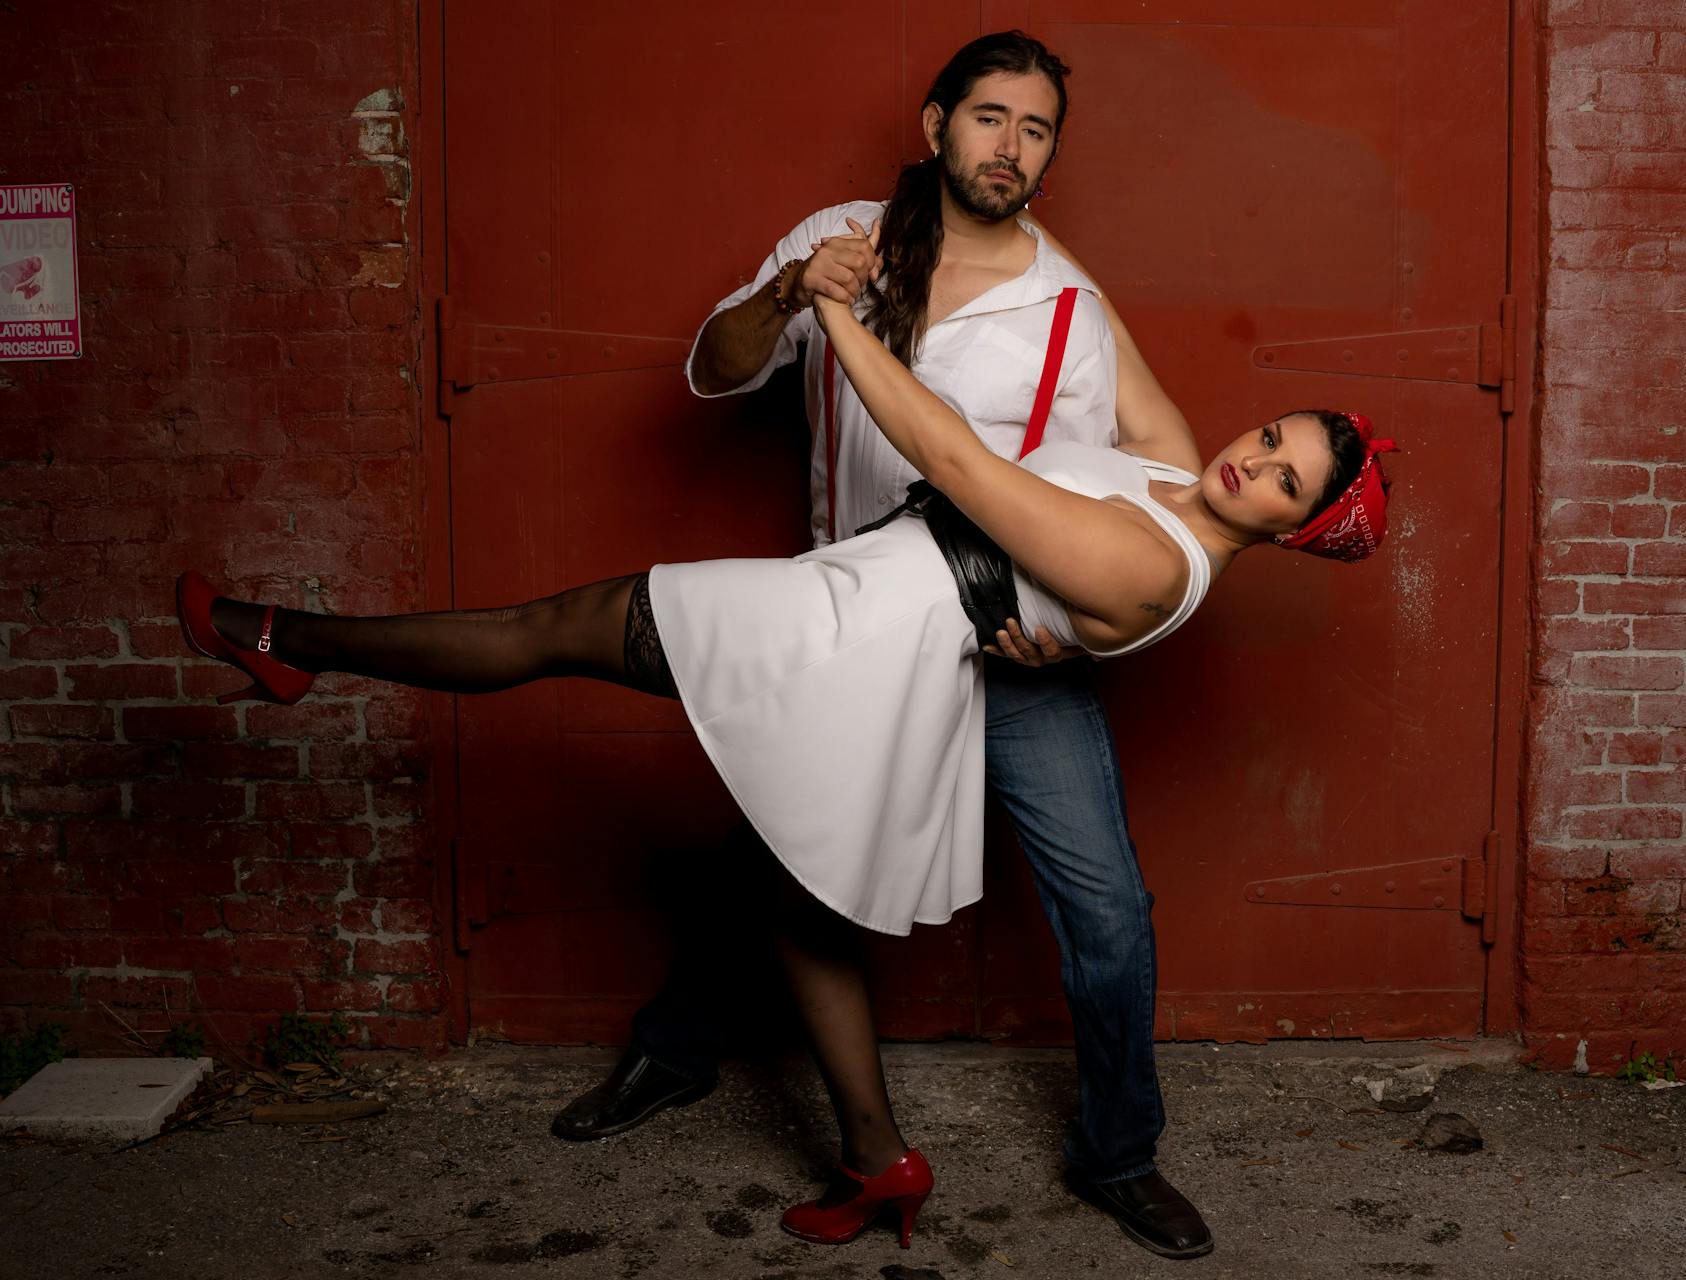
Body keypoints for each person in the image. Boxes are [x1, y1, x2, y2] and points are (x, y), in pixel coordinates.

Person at [177, 277, 1394, 1255]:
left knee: (563, 624)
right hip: (884, 606)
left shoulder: (1155, 563)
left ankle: (290, 641)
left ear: (1296, 532)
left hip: (862, 631)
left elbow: (965, 468)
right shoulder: (1175, 467)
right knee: (798, 899)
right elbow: (1099, 317)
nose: (1255, 461)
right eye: (1274, 434)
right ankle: (878, 1160)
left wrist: (833, 313)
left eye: (1285, 480)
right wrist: (1004, 194)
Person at [563, 30, 1233, 1259]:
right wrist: (790, 290)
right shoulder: (847, 238)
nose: (1010, 148)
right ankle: (677, 1052)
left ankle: (1119, 1154)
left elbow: (1162, 496)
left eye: (1035, 130)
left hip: (1007, 655)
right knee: (770, 852)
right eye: (990, 119)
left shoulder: (1067, 311)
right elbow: (712, 370)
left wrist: (1080, 631)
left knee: (1109, 911)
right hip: (855, 628)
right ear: (935, 124)